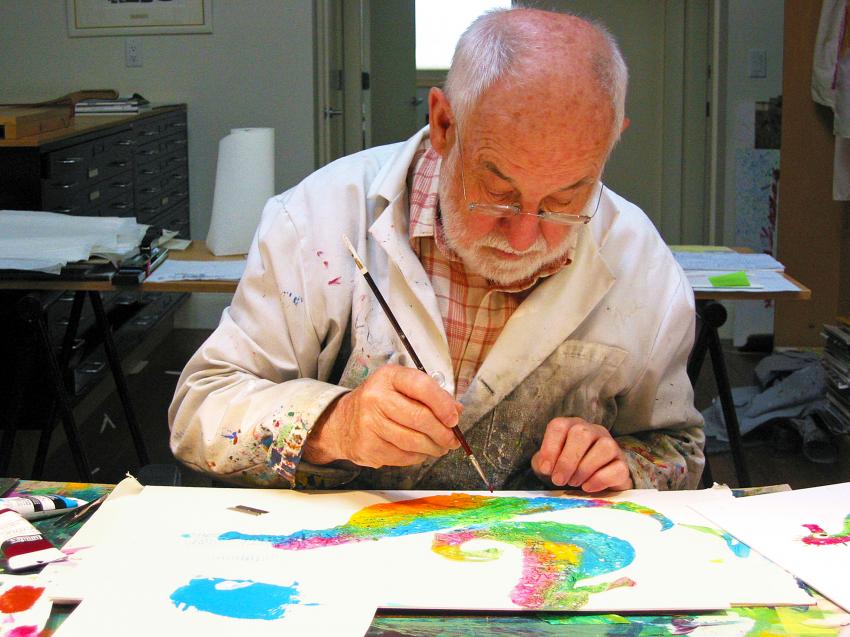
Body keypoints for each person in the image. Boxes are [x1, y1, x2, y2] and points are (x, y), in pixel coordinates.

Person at [169, 7, 704, 492]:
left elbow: (678, 448)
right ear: (445, 123)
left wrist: (622, 463)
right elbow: (200, 409)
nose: (523, 237)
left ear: (612, 140)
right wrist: (335, 424)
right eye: (498, 192)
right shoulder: (319, 218)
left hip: (534, 565)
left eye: (565, 199)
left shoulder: (643, 266)